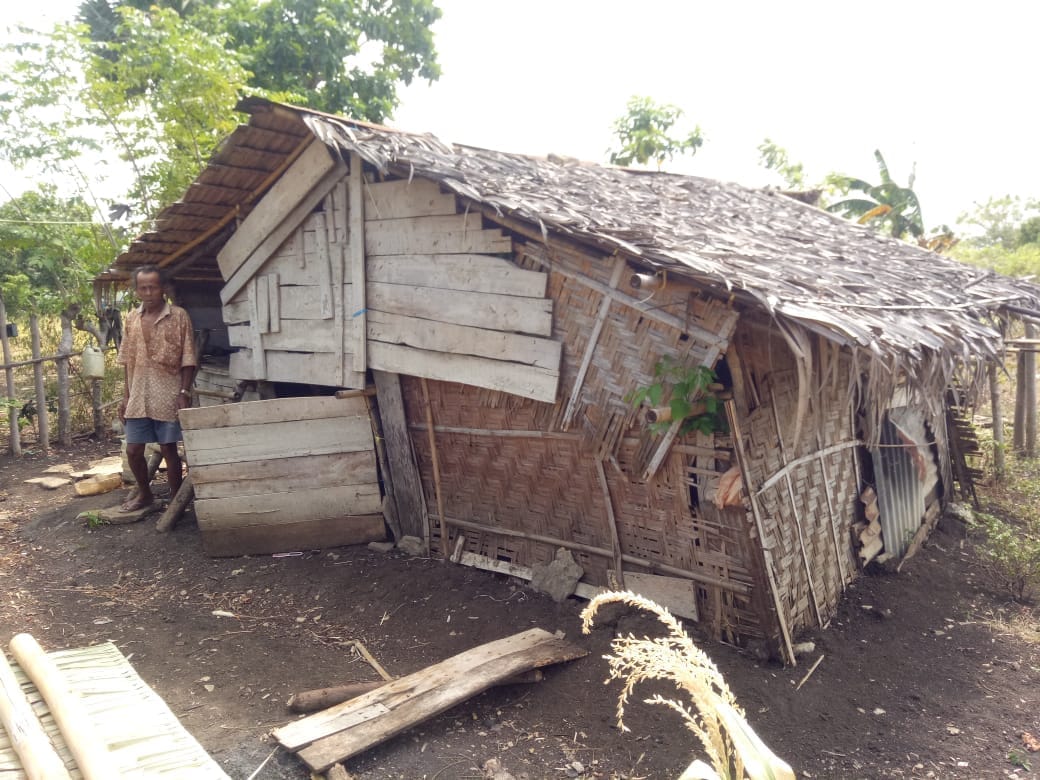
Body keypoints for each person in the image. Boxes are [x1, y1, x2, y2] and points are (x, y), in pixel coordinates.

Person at [117, 265, 197, 512]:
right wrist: (125, 395)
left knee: (169, 449)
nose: (149, 292)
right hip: (139, 394)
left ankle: (176, 502)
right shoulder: (131, 318)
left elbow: (189, 357)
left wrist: (184, 392)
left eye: (153, 287)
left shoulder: (179, 316)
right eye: (143, 288)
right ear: (137, 290)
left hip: (169, 393)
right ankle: (146, 495)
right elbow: (126, 360)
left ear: (162, 288)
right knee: (133, 450)